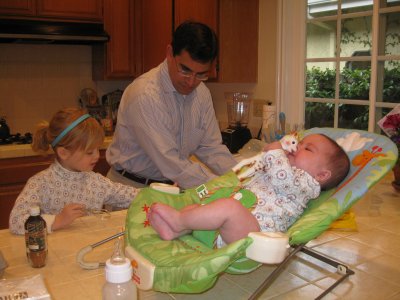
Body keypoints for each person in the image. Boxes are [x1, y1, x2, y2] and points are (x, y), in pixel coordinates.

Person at [148, 133, 350, 246]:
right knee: (204, 205)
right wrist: (266, 156)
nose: (298, 147)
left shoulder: (306, 183)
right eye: (301, 142)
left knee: (228, 207)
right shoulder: (286, 169)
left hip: (257, 236)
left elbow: (282, 178)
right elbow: (264, 171)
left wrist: (276, 152)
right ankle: (177, 229)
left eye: (307, 148)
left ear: (322, 175)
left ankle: (178, 221)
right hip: (234, 226)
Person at [106, 21, 237, 189]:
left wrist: (242, 177)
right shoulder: (145, 95)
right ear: (169, 53)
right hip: (130, 189)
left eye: (201, 74)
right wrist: (221, 186)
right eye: (185, 70)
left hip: (171, 189)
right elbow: (171, 163)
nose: (191, 82)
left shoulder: (202, 93)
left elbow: (211, 148)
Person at [9, 108, 140, 235]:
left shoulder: (96, 182)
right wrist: (57, 221)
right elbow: (16, 222)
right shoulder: (41, 183)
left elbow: (130, 195)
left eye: (97, 149)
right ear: (63, 153)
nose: (96, 156)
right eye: (89, 152)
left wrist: (155, 192)